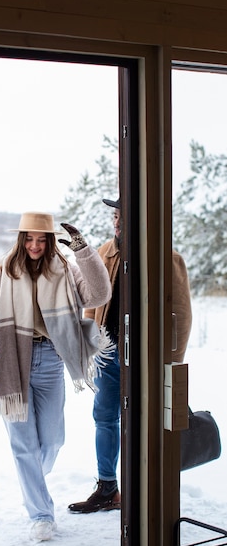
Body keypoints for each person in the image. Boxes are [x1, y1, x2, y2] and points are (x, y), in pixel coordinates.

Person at [0, 212, 112, 541]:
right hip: (13, 360)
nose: (35, 245)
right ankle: (41, 514)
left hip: (51, 358)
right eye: (29, 238)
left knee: (52, 440)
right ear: (21, 238)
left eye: (41, 239)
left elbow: (99, 295)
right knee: (23, 444)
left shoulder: (64, 270)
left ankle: (32, 479)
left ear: (50, 240)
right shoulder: (4, 273)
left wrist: (83, 249)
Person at [68, 197, 193, 514]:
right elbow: (93, 306)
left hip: (147, 359)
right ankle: (108, 488)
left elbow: (181, 314)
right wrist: (89, 345)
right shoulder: (105, 254)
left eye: (123, 216)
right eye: (115, 216)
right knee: (105, 418)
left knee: (144, 423)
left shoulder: (166, 257)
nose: (117, 222)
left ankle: (148, 489)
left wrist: (170, 361)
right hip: (109, 354)